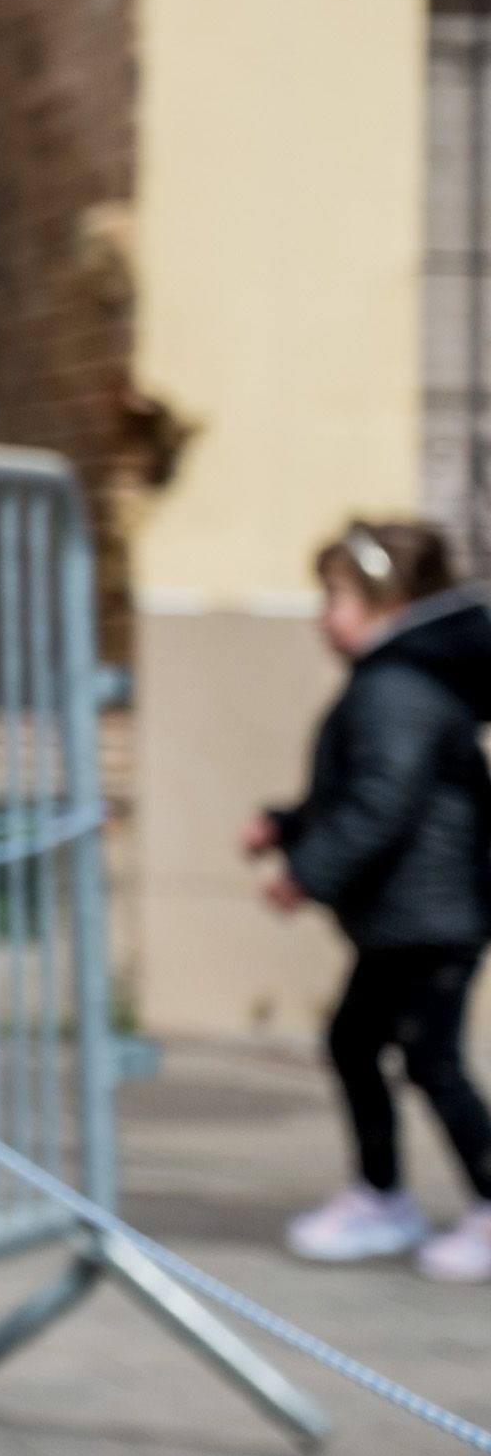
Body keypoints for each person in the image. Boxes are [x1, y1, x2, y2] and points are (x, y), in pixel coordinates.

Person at [254, 521, 491, 1278]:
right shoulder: (399, 680)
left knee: (429, 1059)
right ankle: (381, 1197)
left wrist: (307, 870)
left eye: (338, 598)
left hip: (433, 917)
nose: (325, 616)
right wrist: (289, 825)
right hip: (412, 914)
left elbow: (382, 803)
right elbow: (366, 791)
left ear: (387, 601)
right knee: (357, 1043)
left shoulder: (397, 686)